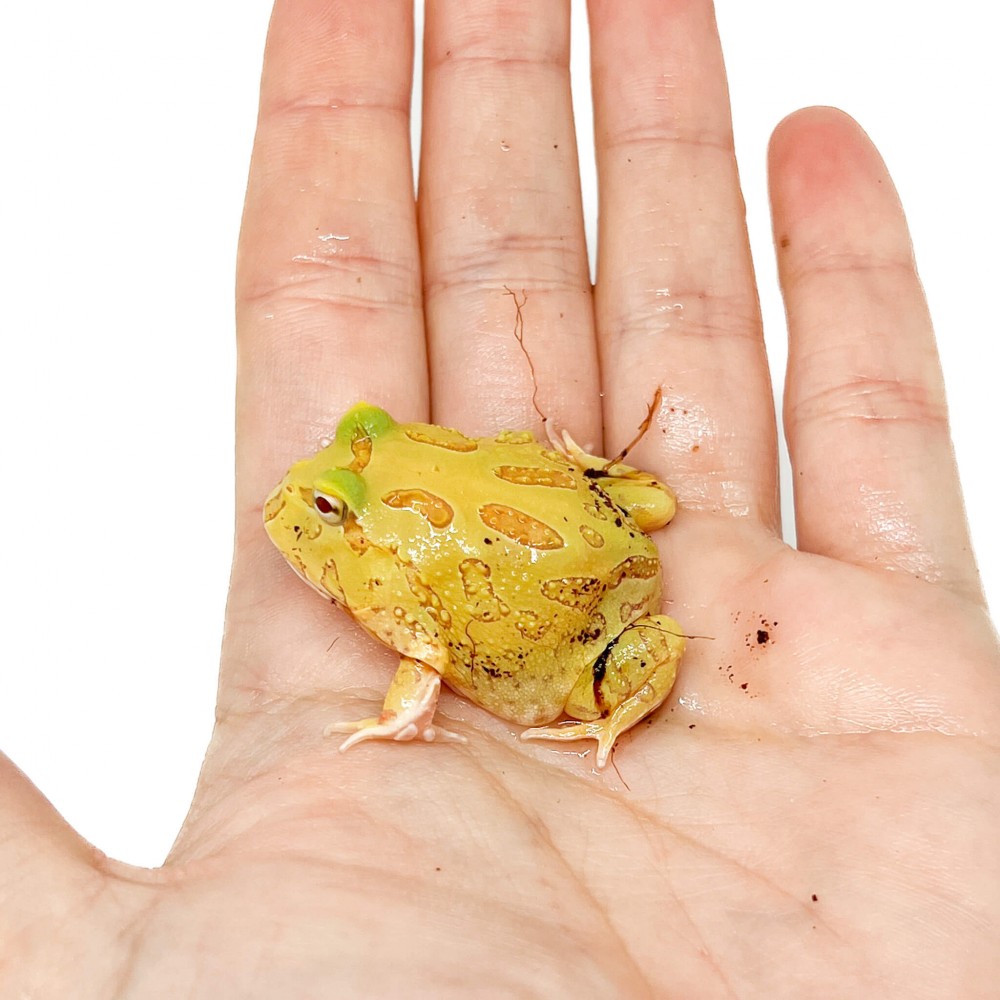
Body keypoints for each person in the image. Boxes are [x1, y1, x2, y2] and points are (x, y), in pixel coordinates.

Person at [4, 1, 997, 994]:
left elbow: (424, 653)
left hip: (601, 631)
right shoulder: (397, 502)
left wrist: (398, 721)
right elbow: (645, 507)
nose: (321, 491)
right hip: (605, 507)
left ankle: (605, 708)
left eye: (339, 503)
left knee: (622, 642)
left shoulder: (385, 575)